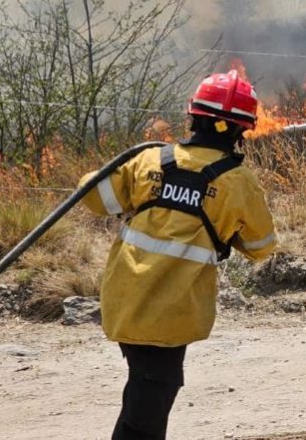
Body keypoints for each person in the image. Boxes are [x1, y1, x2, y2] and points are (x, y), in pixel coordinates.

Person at [78, 70, 277, 439]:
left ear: (193, 117)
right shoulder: (237, 182)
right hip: (169, 316)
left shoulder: (150, 160)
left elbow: (93, 196)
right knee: (144, 417)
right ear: (240, 130)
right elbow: (260, 247)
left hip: (124, 302)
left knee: (144, 398)